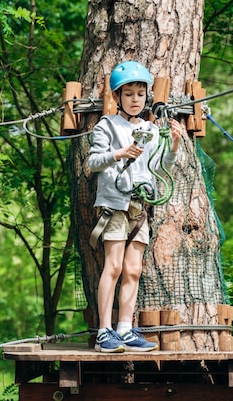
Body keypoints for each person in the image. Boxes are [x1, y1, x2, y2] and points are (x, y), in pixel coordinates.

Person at [88, 60, 182, 352]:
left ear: (146, 97)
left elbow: (160, 166)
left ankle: (125, 329)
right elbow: (92, 162)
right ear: (117, 97)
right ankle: (104, 331)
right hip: (115, 204)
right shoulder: (107, 125)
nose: (134, 99)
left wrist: (175, 146)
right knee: (113, 267)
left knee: (133, 269)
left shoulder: (151, 130)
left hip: (140, 206)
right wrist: (120, 153)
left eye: (140, 94)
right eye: (128, 94)